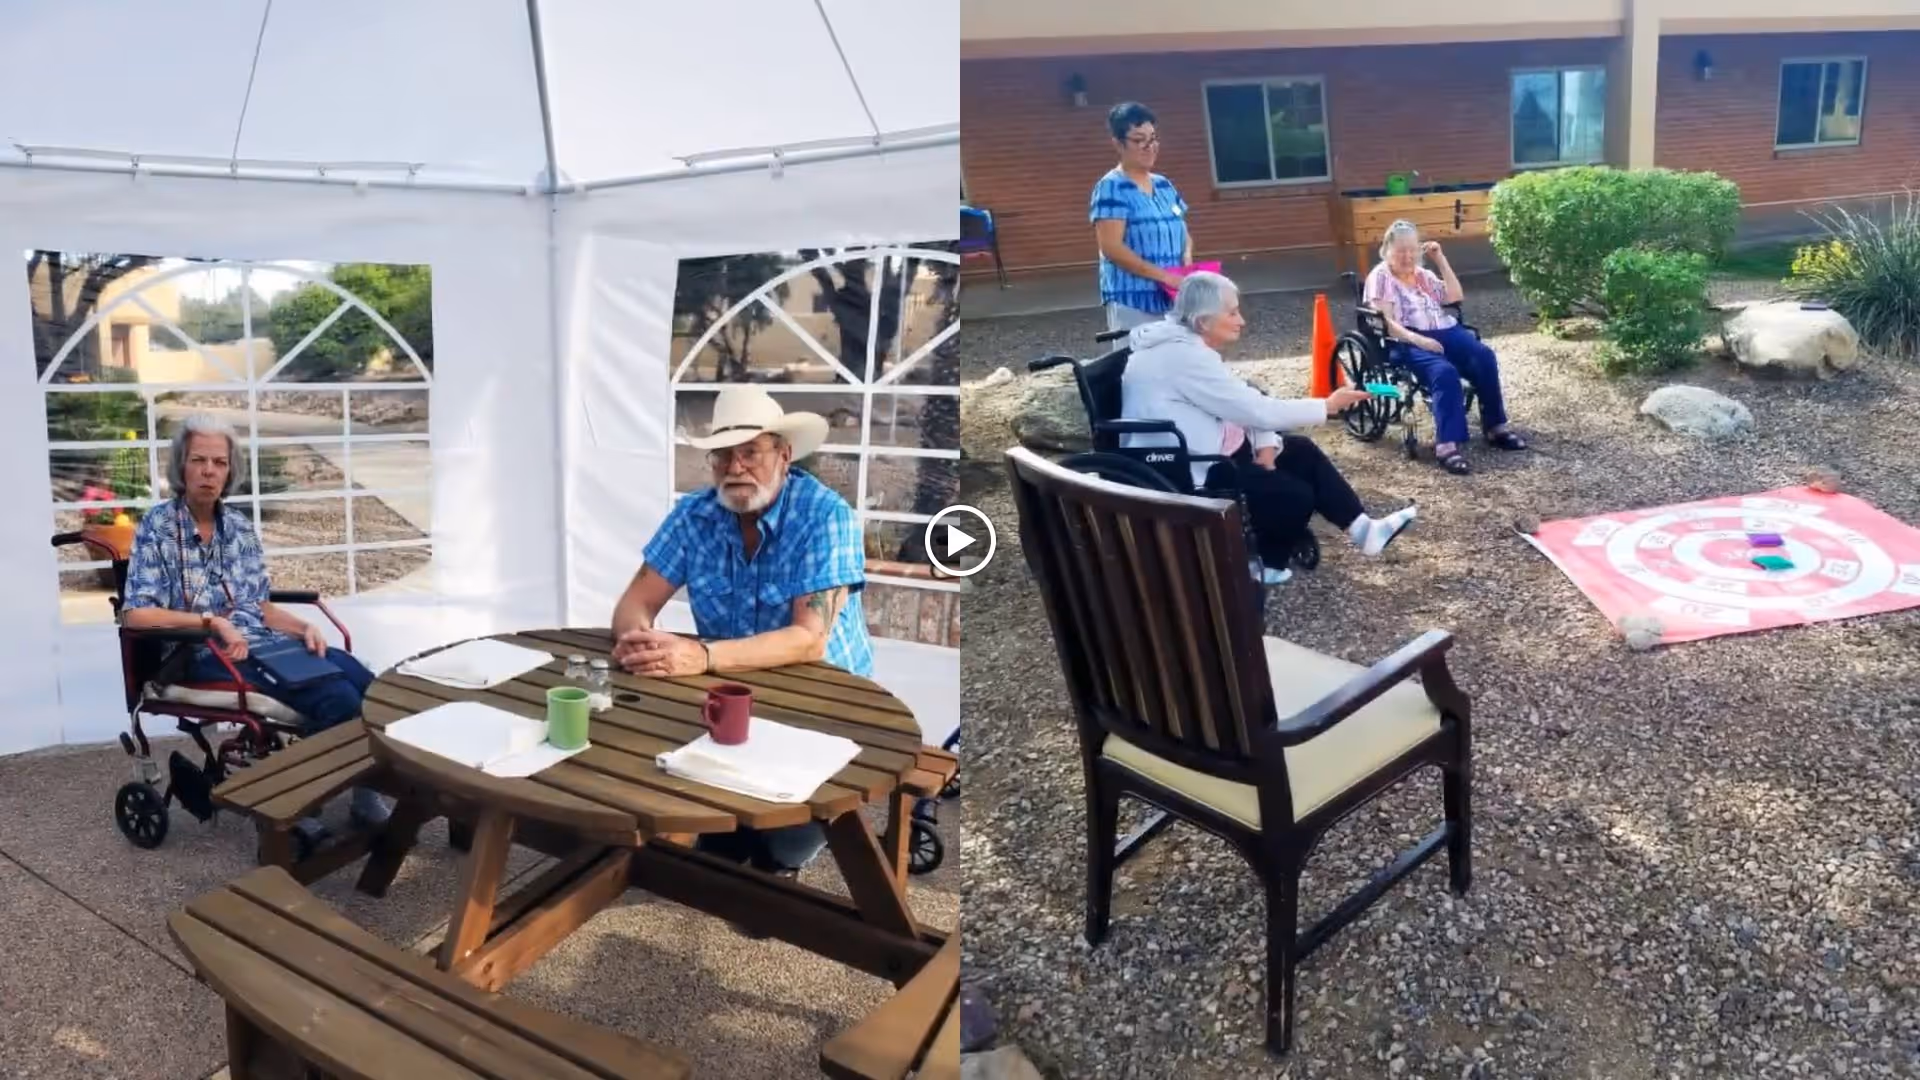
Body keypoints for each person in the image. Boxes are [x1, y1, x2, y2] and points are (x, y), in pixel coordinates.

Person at [610, 385, 870, 879]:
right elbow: (633, 605)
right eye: (723, 454)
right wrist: (640, 641)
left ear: (784, 455)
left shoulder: (825, 516)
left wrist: (699, 656)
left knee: (780, 846)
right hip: (730, 691)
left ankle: (776, 850)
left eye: (751, 451)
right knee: (641, 747)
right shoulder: (695, 514)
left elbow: (808, 639)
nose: (736, 466)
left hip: (825, 697)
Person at [122, 413, 388, 848]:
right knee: (336, 699)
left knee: (370, 687)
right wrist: (212, 623)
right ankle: (291, 808)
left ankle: (364, 791)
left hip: (264, 644)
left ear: (230, 471)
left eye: (219, 463)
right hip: (198, 654)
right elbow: (136, 616)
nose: (209, 471)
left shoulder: (241, 528)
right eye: (198, 460)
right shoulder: (158, 527)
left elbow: (259, 606)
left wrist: (304, 626)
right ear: (181, 467)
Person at [1121, 272, 1418, 582]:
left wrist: (1264, 440)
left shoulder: (1185, 345)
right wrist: (1328, 406)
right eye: (1232, 312)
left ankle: (1364, 531)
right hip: (1190, 462)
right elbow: (1254, 408)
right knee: (1293, 495)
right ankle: (1264, 566)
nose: (1242, 321)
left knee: (1302, 451)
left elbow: (1241, 397)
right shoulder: (1183, 357)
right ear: (1203, 321)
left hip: (1213, 441)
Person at [1362, 219, 1528, 475]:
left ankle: (1495, 428)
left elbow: (1455, 296)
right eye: (1400, 250)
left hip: (1445, 329)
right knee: (1444, 372)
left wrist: (1440, 260)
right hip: (1406, 338)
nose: (1407, 256)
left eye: (1412, 250)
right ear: (1387, 251)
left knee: (1483, 356)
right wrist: (1420, 340)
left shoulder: (1423, 275)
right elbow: (1387, 323)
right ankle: (1447, 444)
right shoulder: (1381, 276)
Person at [1090, 101, 1194, 333]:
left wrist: (1186, 262)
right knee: (1140, 366)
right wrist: (1164, 276)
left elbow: (1182, 230)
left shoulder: (1164, 185)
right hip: (1133, 300)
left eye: (1153, 138)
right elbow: (1112, 248)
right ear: (1118, 143)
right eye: (1139, 140)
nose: (1150, 146)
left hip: (1173, 296)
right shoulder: (1110, 187)